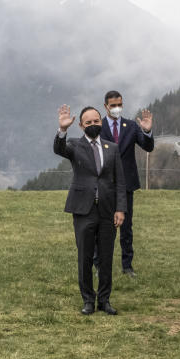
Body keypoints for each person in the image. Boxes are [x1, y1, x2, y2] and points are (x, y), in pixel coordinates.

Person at [54, 104, 126, 315]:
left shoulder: (111, 148)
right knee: (84, 257)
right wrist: (62, 130)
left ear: (101, 122)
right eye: (88, 122)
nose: (93, 125)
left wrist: (120, 209)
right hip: (83, 210)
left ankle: (104, 300)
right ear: (81, 125)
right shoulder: (75, 145)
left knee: (106, 257)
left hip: (107, 210)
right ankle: (88, 300)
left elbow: (120, 182)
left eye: (96, 121)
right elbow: (58, 149)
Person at [98, 90, 153, 277]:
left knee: (126, 227)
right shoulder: (98, 125)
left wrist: (147, 130)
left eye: (119, 104)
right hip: (104, 183)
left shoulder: (130, 126)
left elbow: (148, 146)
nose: (116, 108)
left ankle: (127, 265)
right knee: (102, 226)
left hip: (127, 184)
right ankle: (99, 265)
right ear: (105, 106)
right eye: (113, 105)